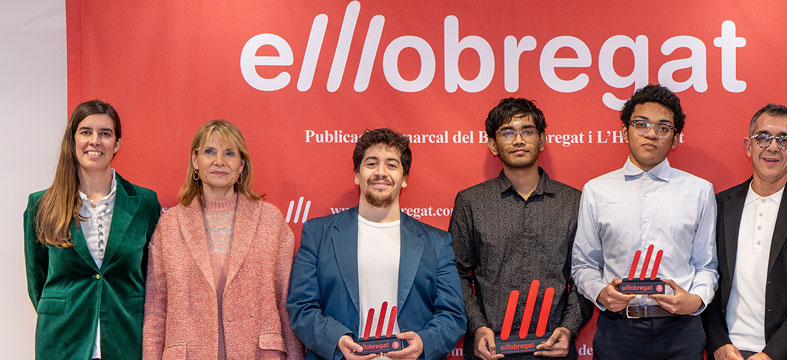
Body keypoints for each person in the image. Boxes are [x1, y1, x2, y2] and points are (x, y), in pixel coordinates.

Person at [287, 128, 465, 360]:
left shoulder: (437, 242)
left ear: (405, 179)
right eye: (371, 164)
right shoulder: (318, 233)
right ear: (356, 175)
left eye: (391, 165)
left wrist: (423, 343)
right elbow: (301, 306)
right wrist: (337, 341)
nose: (381, 172)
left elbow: (453, 315)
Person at [571, 84, 717, 359]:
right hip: (618, 331)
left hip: (681, 331)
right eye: (641, 124)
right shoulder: (597, 190)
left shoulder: (699, 191)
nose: (651, 133)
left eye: (663, 127)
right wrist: (601, 293)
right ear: (625, 131)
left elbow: (707, 265)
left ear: (675, 139)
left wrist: (695, 300)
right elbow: (584, 264)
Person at [141, 120, 304, 358]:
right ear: (195, 160)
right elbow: (156, 310)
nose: (219, 161)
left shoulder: (271, 220)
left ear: (242, 165)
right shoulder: (169, 225)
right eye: (210, 152)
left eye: (229, 153)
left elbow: (285, 300)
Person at [450, 98, 592, 360]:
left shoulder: (574, 201)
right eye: (507, 132)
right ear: (493, 144)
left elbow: (585, 273)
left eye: (527, 131)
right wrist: (478, 327)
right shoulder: (471, 202)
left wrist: (568, 329)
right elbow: (455, 273)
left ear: (542, 139)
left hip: (553, 347)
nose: (518, 140)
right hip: (491, 349)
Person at [24, 99, 161, 359]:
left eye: (105, 134)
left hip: (125, 340)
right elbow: (37, 281)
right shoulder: (40, 205)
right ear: (73, 140)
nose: (95, 141)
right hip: (61, 341)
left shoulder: (144, 202)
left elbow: (151, 276)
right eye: (86, 132)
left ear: (117, 144)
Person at [701, 104, 787, 360]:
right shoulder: (721, 205)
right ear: (748, 146)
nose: (772, 147)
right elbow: (706, 275)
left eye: (784, 140)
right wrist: (718, 342)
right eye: (763, 137)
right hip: (729, 354)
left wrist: (772, 354)